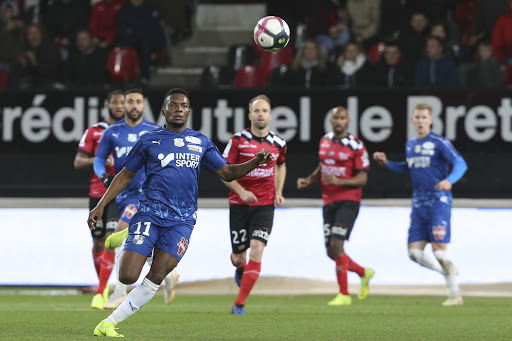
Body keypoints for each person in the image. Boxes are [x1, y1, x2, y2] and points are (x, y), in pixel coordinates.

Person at [89, 88, 274, 337]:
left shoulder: (200, 142)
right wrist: (101, 204)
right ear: (164, 111)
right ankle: (131, 233)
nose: (178, 109)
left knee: (157, 275)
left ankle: (109, 323)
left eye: (183, 106)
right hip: (150, 215)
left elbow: (228, 173)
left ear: (189, 111)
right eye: (173, 105)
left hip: (182, 221)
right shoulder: (149, 140)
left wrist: (255, 162)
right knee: (127, 276)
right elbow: (124, 175)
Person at [373, 103, 468, 306]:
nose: (421, 121)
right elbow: (408, 168)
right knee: (414, 254)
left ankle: (455, 295)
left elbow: (461, 163)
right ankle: (447, 271)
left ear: (431, 120)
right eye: (417, 117)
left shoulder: (439, 142)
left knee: (439, 251)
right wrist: (387, 163)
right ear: (412, 120)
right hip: (418, 204)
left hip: (438, 202)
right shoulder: (410, 145)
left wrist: (449, 180)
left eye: (424, 117)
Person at [93, 88, 178, 310]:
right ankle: (167, 275)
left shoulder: (153, 131)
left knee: (117, 236)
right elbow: (99, 159)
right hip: (121, 195)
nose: (133, 106)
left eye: (138, 102)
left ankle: (119, 292)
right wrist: (103, 175)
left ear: (143, 106)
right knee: (140, 241)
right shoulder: (112, 132)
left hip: (145, 194)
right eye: (129, 101)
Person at [296, 107, 374, 306]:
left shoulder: (356, 145)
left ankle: (344, 295)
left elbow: (363, 178)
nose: (338, 121)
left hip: (348, 201)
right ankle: (363, 272)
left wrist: (339, 182)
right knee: (331, 251)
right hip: (328, 201)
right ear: (331, 121)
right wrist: (309, 180)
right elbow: (323, 166)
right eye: (335, 118)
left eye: (342, 118)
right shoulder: (325, 141)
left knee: (337, 245)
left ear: (348, 121)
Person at [221, 94, 287, 315]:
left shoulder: (279, 143)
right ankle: (240, 266)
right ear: (250, 115)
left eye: (265, 111)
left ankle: (239, 303)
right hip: (239, 204)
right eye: (257, 111)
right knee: (239, 256)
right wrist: (241, 191)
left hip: (265, 204)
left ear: (270, 115)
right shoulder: (237, 140)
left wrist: (278, 191)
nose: (261, 115)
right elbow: (223, 171)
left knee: (257, 249)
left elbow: (281, 166)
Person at [74, 90, 125, 309]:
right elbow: (78, 161)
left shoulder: (130, 133)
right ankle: (102, 286)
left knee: (109, 239)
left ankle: (102, 288)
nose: (119, 106)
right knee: (97, 242)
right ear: (107, 106)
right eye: (115, 102)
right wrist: (100, 158)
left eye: (123, 103)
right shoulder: (94, 131)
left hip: (120, 193)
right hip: (97, 192)